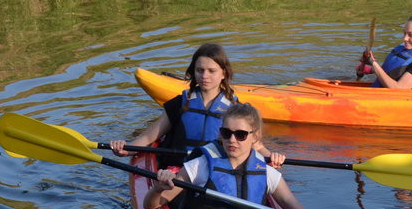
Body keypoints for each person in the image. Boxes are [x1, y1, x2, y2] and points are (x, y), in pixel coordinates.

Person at [143, 103, 345, 209]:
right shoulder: (200, 165)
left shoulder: (268, 174)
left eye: (240, 135)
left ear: (255, 137)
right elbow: (151, 205)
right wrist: (158, 189)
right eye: (226, 133)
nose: (232, 140)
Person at [110, 43, 283, 168]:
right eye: (200, 70)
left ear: (223, 73)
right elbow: (149, 137)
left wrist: (272, 157)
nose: (204, 76)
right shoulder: (180, 103)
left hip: (215, 170)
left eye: (212, 71)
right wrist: (126, 149)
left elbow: (255, 144)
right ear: (193, 72)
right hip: (177, 171)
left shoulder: (235, 109)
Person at [356, 14, 412, 90]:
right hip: (377, 93)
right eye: (404, 33)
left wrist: (374, 63)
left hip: (393, 100)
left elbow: (398, 88)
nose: (405, 38)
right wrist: (371, 69)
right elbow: (392, 72)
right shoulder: (402, 49)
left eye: (410, 35)